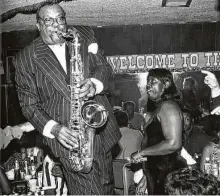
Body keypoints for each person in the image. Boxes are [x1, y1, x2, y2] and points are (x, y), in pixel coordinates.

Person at [14, 3, 121, 195]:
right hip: (68, 140)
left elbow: (104, 67)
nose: (57, 25)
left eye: (60, 18)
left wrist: (94, 83)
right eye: (49, 20)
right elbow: (28, 106)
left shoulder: (84, 35)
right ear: (38, 26)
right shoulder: (25, 58)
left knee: (106, 189)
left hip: (101, 133)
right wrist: (55, 129)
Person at [130, 68, 187, 194]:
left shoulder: (168, 106)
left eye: (153, 81)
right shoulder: (161, 107)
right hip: (160, 174)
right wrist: (146, 176)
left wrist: (141, 153)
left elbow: (173, 144)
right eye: (148, 81)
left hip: (168, 176)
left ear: (166, 84)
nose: (148, 85)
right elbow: (157, 146)